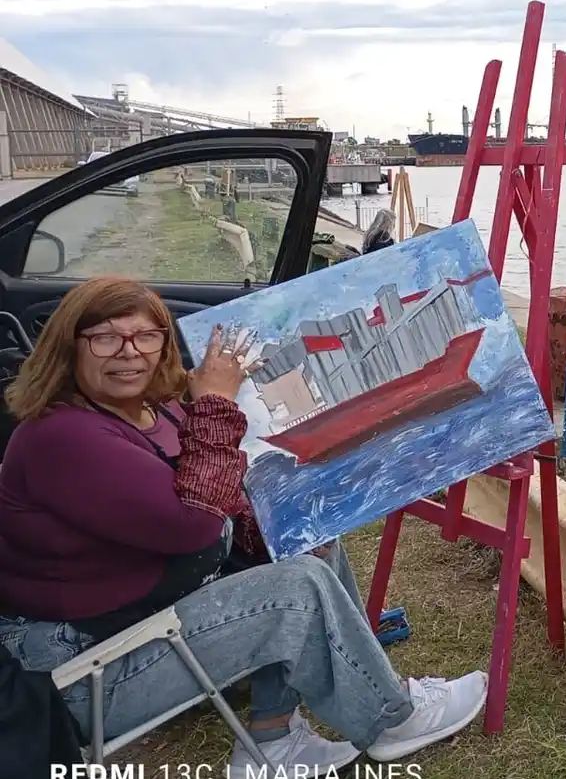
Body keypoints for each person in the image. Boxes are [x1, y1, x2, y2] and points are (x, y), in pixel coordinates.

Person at [0, 276, 489, 775]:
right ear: (70, 346)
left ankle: (273, 740)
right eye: (105, 337)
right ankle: (391, 719)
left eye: (145, 336)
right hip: (85, 672)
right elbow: (195, 526)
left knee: (304, 543)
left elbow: (215, 493)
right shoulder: (59, 438)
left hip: (141, 618)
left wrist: (280, 532)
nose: (128, 352)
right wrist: (216, 405)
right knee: (298, 587)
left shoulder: (149, 410)